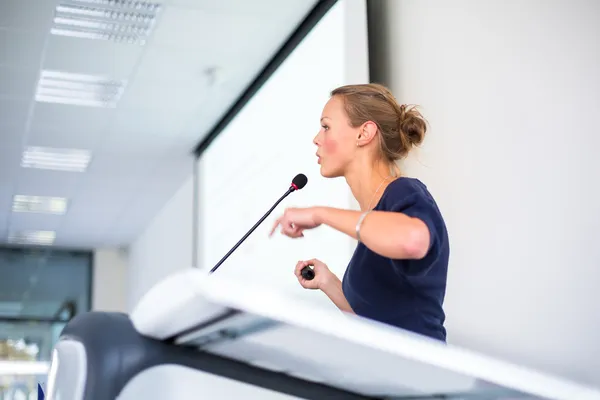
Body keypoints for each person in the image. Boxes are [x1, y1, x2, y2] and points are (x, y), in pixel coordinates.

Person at [269, 83, 449, 342]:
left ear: (364, 133)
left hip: (422, 376)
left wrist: (320, 214)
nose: (316, 138)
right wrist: (328, 283)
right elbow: (379, 326)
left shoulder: (404, 192)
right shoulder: (375, 216)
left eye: (326, 126)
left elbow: (413, 241)